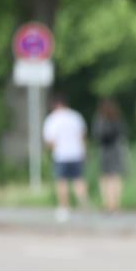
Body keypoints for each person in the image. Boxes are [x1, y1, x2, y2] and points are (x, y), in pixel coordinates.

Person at [42, 93, 88, 222]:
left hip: (61, 155)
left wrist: (50, 150)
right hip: (76, 153)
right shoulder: (75, 116)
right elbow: (82, 136)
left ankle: (64, 207)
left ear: (55, 105)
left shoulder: (52, 119)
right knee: (78, 180)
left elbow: (50, 141)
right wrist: (84, 152)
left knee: (62, 182)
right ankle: (84, 205)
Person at [92, 98, 127, 213]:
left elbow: (96, 135)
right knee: (116, 177)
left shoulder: (100, 119)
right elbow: (123, 133)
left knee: (105, 178)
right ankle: (116, 203)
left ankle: (107, 203)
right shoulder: (117, 118)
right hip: (117, 150)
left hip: (105, 150)